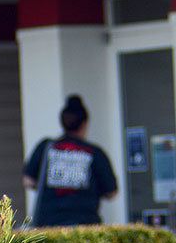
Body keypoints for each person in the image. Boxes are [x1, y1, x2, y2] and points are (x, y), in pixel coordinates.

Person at [23, 95, 118, 227]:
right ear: (85, 124)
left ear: (62, 122)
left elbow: (28, 181)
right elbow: (111, 192)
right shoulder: (94, 153)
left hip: (49, 227)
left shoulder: (46, 147)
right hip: (85, 228)